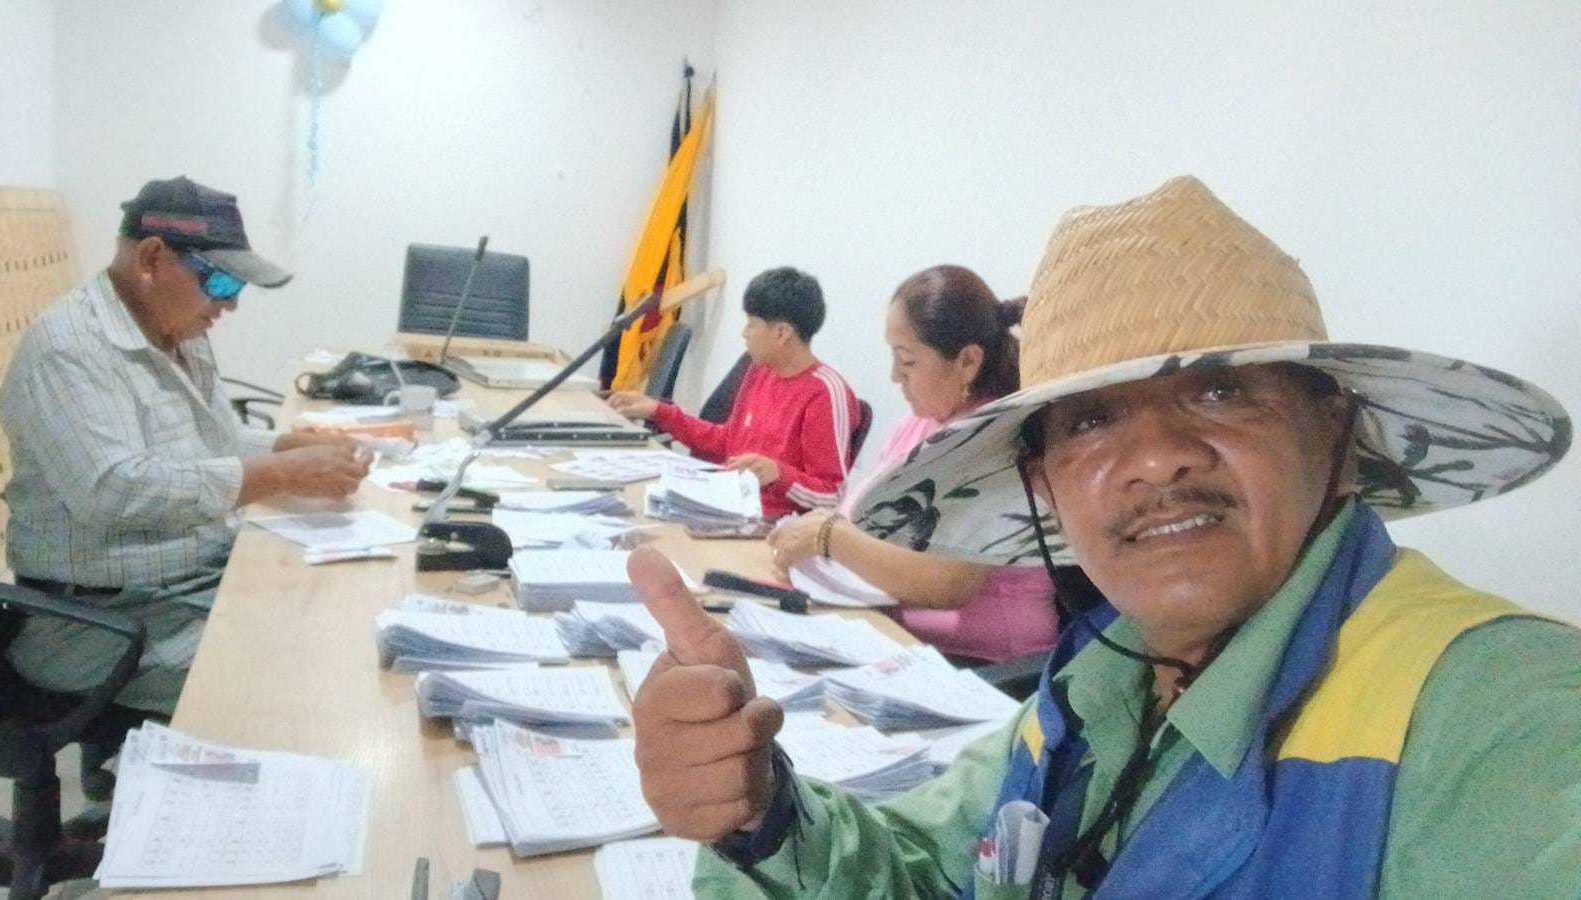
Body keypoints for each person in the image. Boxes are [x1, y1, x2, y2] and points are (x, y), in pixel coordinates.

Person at [625, 176, 1579, 898]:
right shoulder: (1096, 684)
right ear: (1045, 485)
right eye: (1090, 421)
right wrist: (762, 816)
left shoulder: (1504, 722)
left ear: (1336, 440)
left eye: (1221, 390)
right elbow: (928, 870)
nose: (1154, 459)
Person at [0, 176, 373, 718]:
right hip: (99, 622)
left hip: (187, 586)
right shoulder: (69, 350)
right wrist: (283, 472)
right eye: (221, 282)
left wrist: (285, 445)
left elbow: (212, 440)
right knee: (308, 677)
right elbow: (115, 490)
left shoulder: (177, 332)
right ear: (151, 258)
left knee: (341, 613)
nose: (231, 304)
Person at [766, 266, 1058, 663]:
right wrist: (812, 550)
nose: (893, 376)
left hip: (980, 662)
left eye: (907, 360)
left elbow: (947, 584)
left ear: (968, 362)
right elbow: (863, 521)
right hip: (897, 634)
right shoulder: (920, 422)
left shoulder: (995, 441)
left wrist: (829, 538)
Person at [609, 267, 861, 518]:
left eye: (751, 325)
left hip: (772, 526)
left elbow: (832, 496)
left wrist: (779, 475)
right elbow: (728, 442)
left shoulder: (825, 394)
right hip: (726, 506)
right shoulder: (759, 371)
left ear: (781, 333)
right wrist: (659, 411)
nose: (744, 333)